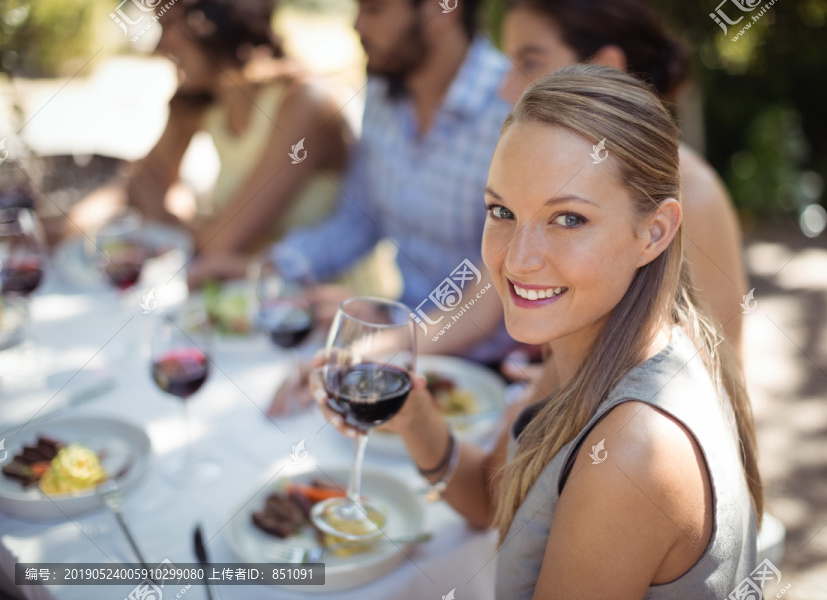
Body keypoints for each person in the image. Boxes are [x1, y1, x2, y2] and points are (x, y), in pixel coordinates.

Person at [316, 65, 762, 598]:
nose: (519, 260)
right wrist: (414, 418)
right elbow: (491, 500)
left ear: (655, 232)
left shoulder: (634, 453)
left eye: (568, 219)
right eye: (501, 211)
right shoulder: (594, 346)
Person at [266, 0, 517, 414]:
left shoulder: (513, 105)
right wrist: (276, 268)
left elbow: (496, 289)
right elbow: (359, 221)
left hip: (488, 376)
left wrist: (382, 340)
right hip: (404, 339)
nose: (358, 25)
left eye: (376, 9)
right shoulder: (383, 93)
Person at [499, 0, 749, 359]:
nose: (506, 90)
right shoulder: (550, 173)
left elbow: (723, 367)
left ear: (604, 68)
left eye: (530, 63)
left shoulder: (694, 193)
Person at [73, 0, 354, 280]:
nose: (160, 46)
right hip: (234, 295)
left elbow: (219, 246)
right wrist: (65, 227)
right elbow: (136, 186)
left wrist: (167, 217)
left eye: (169, 25)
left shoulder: (304, 102)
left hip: (319, 305)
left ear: (214, 20)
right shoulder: (202, 102)